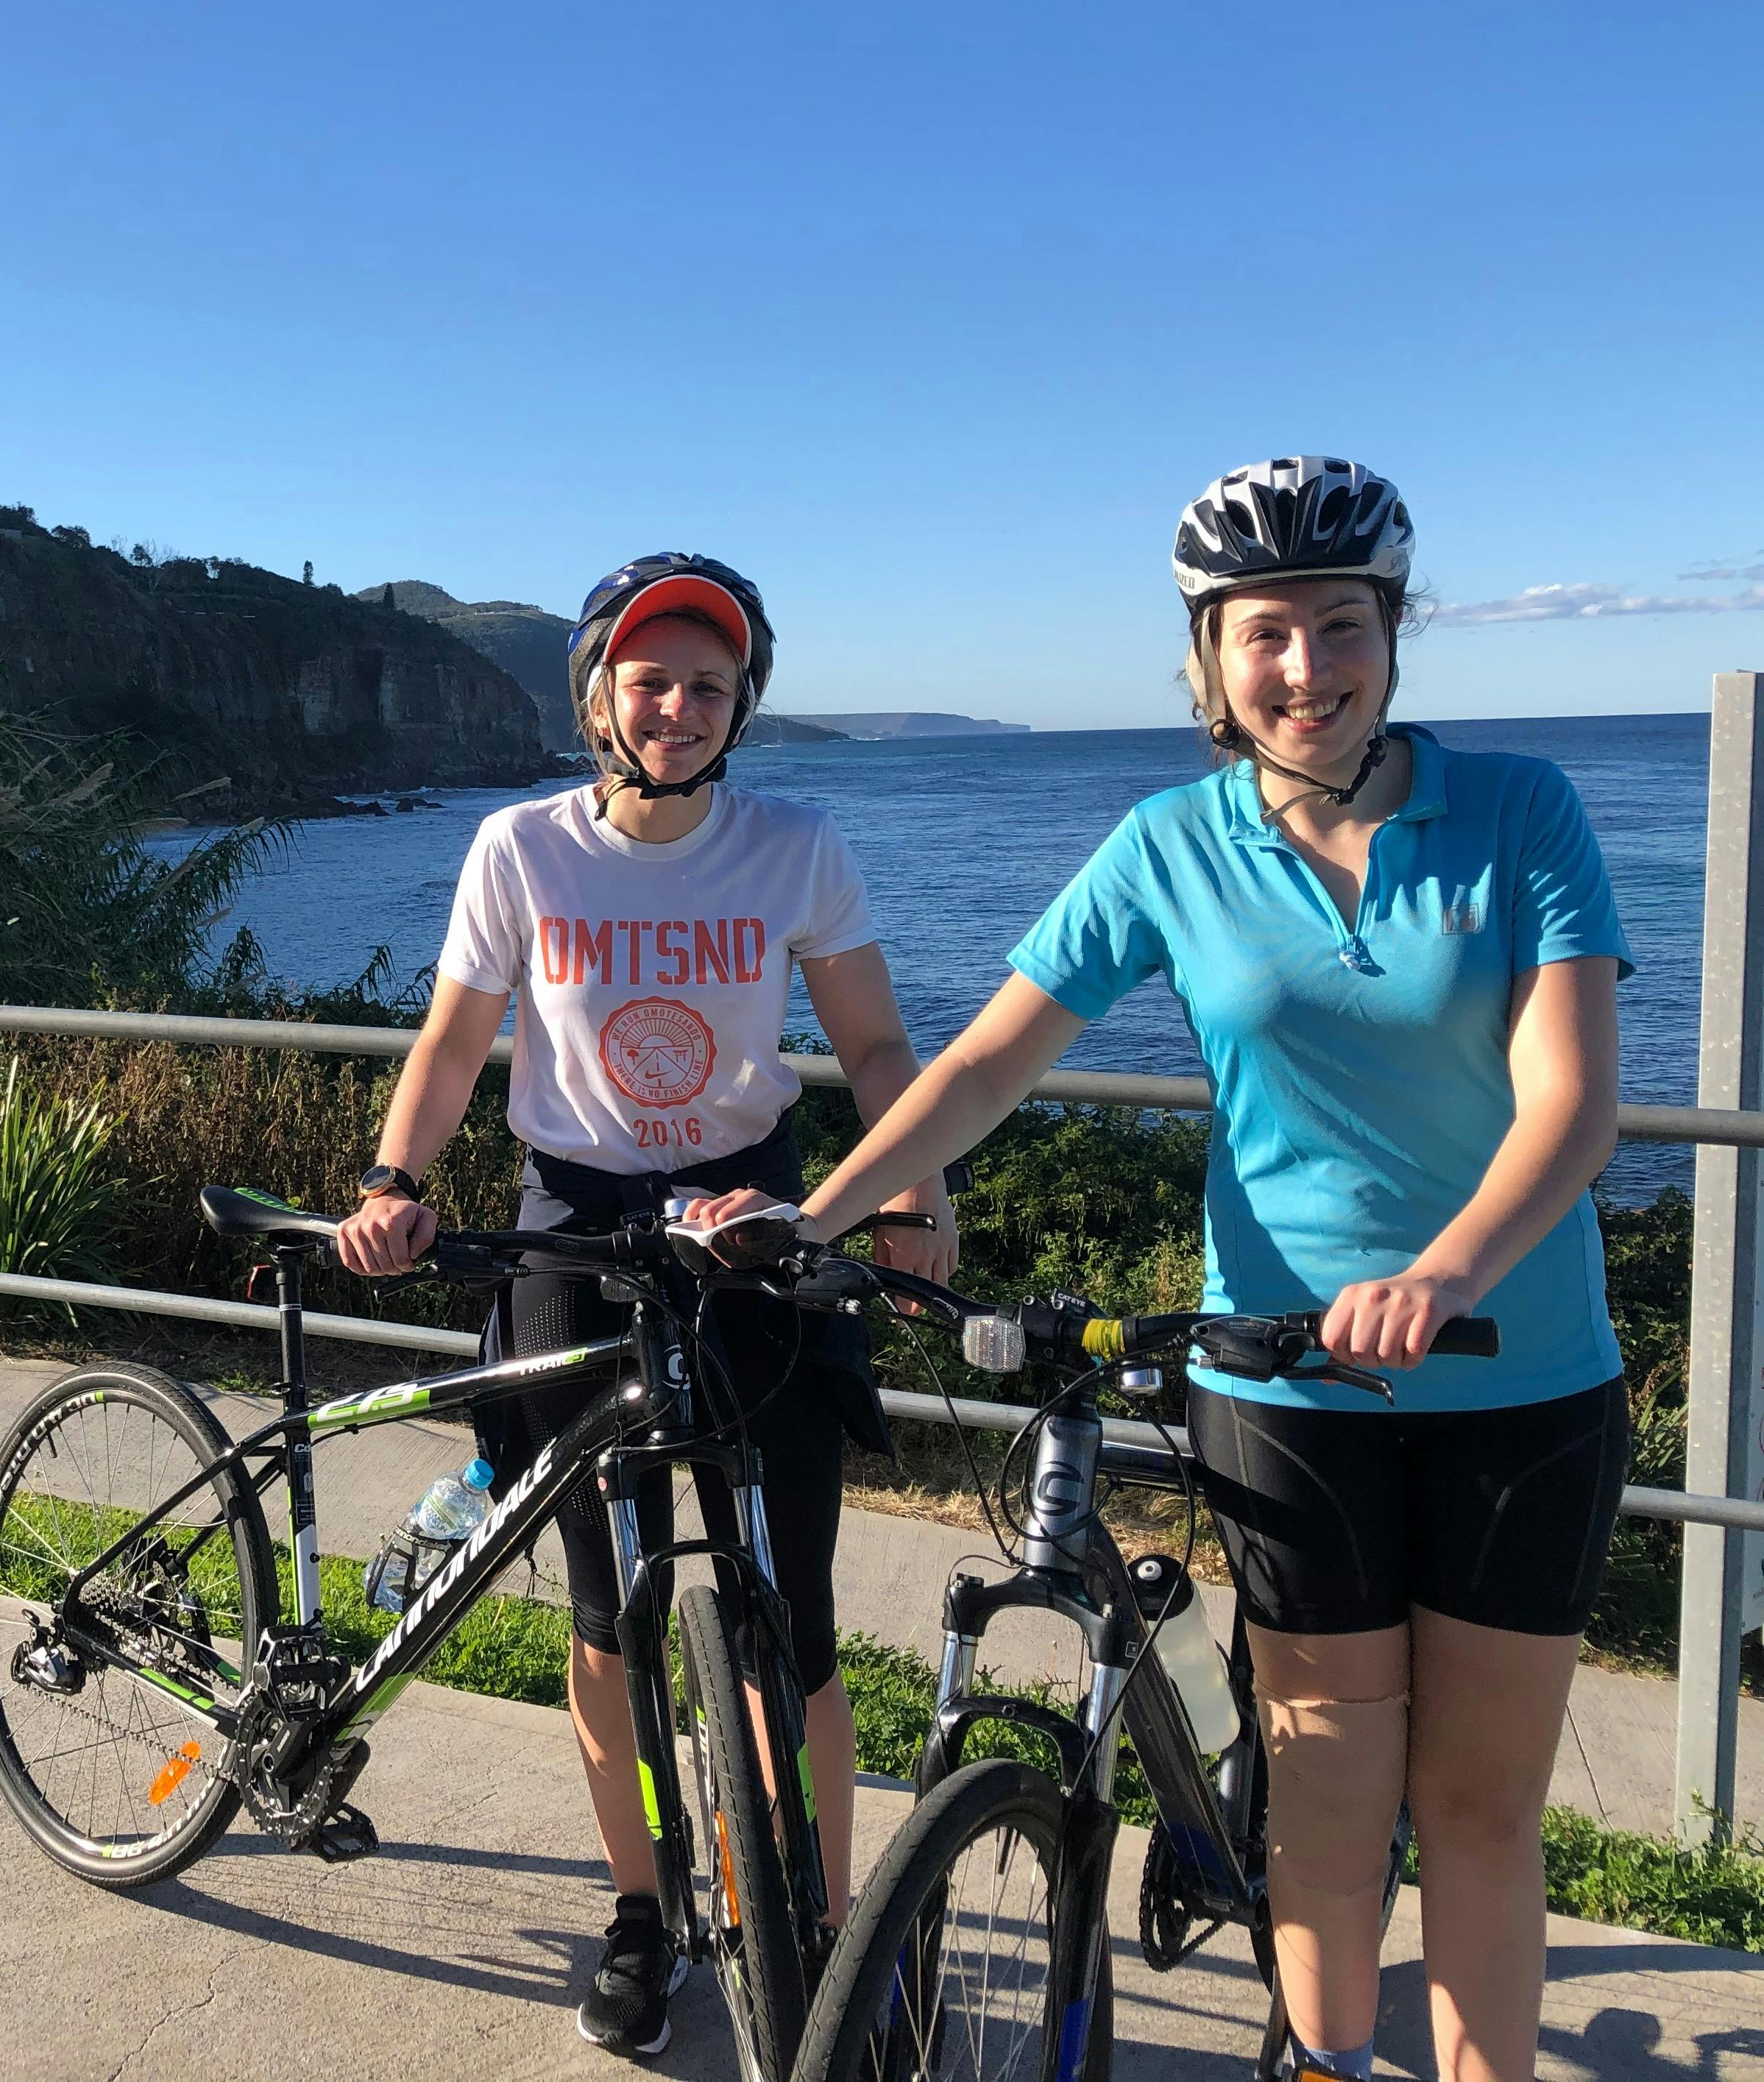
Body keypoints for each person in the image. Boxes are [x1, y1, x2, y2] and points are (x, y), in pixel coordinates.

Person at [736, 460, 1630, 2082]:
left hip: (1526, 1370)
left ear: (1394, 633)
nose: (1306, 667)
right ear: (1209, 661)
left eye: (1340, 623)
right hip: (1288, 1385)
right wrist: (812, 1217)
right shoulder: (1169, 844)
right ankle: (1327, 2063)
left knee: (1483, 1814)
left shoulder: (1522, 810)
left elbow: (1574, 1106)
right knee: (1336, 1800)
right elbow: (986, 1066)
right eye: (1264, 633)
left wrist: (1438, 1272)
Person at [336, 552, 958, 2059]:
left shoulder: (796, 846)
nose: (678, 706)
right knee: (610, 1615)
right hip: (575, 1227)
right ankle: (640, 1910)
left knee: (789, 1607)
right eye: (651, 678)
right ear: (599, 694)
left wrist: (911, 1194)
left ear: (743, 704)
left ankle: (820, 1916)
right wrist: (387, 1178)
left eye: (709, 684)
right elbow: (454, 1040)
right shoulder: (520, 852)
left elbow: (876, 1047)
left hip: (749, 1221)